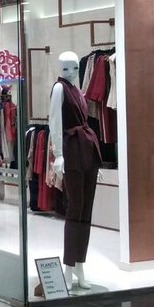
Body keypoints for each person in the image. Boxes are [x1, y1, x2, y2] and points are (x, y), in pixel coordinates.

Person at [50, 50, 102, 290]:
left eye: (74, 67)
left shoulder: (78, 90)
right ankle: (69, 267)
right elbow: (55, 123)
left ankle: (80, 265)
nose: (71, 72)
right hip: (71, 151)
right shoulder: (59, 89)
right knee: (74, 209)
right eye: (66, 67)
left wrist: (94, 159)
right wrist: (58, 154)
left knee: (86, 211)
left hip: (86, 151)